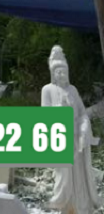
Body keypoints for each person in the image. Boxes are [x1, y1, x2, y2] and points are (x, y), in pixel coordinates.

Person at [42, 45, 101, 214]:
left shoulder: (72, 90)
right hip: (62, 137)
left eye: (64, 71)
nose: (61, 75)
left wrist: (83, 129)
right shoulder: (47, 90)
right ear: (53, 74)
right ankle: (65, 206)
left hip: (77, 139)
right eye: (58, 72)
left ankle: (81, 206)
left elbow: (82, 113)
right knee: (64, 175)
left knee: (79, 175)